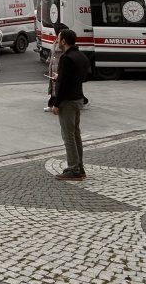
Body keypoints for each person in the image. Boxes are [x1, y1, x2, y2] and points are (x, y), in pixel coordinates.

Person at [51, 30, 89, 181]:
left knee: (68, 136)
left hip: (67, 101)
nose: (57, 40)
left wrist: (56, 103)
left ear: (64, 41)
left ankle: (74, 169)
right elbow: (84, 76)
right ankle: (79, 166)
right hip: (78, 97)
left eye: (59, 38)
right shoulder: (80, 55)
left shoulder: (66, 58)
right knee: (75, 134)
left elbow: (64, 86)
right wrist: (62, 77)